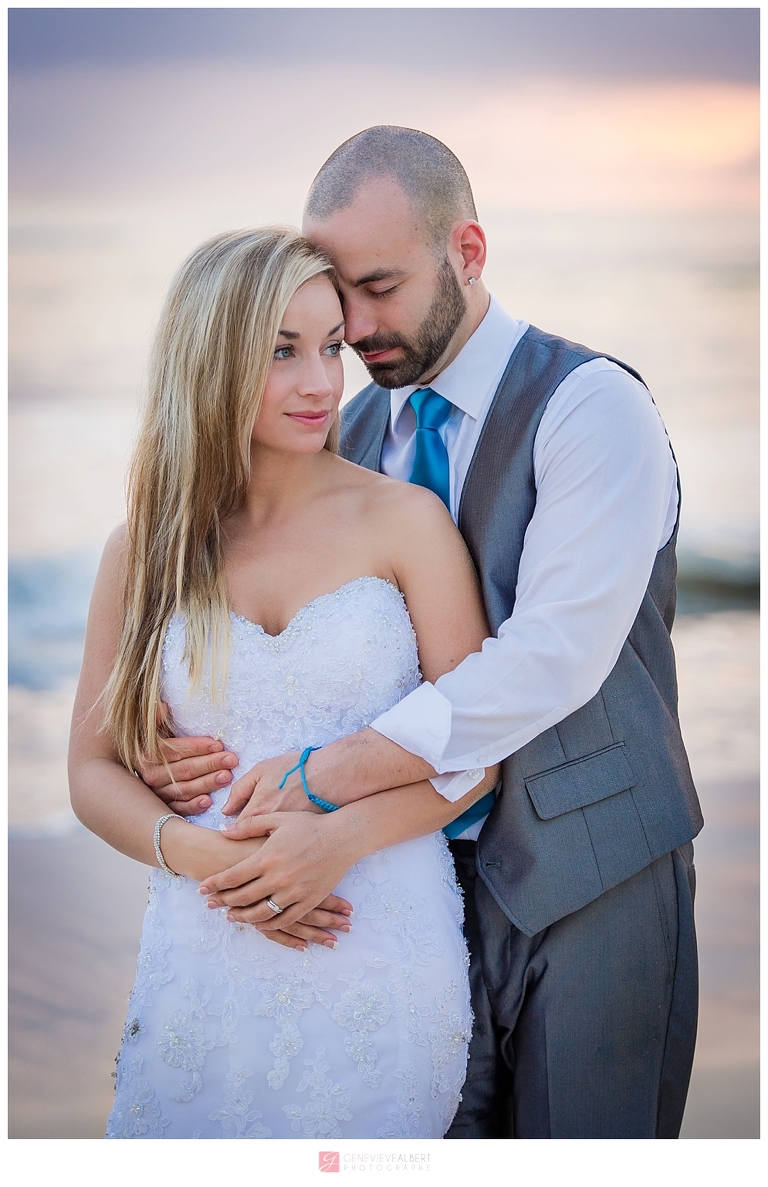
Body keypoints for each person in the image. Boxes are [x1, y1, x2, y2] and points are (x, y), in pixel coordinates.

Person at [141, 127, 703, 1139]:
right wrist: (166, 720)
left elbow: (553, 656)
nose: (353, 328)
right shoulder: (348, 435)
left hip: (596, 872)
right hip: (413, 899)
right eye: (335, 293)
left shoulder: (590, 407)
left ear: (468, 253)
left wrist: (331, 773)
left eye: (380, 286)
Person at [68, 226, 500, 1139]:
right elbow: (91, 771)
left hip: (375, 939)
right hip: (205, 943)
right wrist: (208, 859)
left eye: (332, 346)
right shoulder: (146, 548)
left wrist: (335, 843)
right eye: (281, 351)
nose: (320, 382)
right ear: (215, 358)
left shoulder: (407, 524)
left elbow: (475, 753)